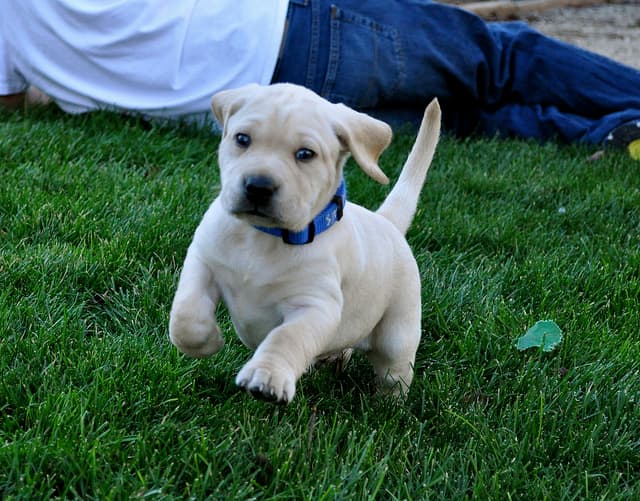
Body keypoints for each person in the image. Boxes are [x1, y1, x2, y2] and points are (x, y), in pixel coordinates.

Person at [2, 0, 639, 158]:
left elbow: (12, 103)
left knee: (465, 122)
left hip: (269, 116)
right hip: (291, 27)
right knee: (496, 57)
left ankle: (610, 136)